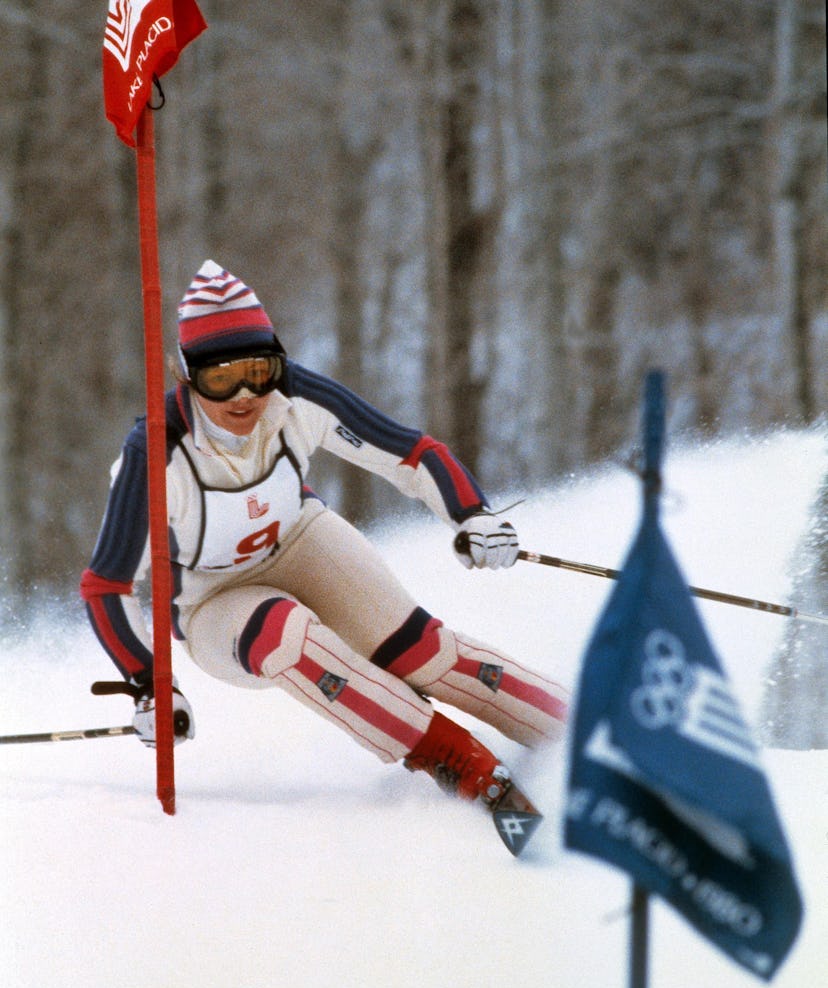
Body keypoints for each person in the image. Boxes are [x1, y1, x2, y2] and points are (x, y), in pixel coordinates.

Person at [81, 260, 568, 812]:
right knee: (289, 636)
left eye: (258, 370)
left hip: (300, 542)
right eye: (221, 379)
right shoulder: (155, 452)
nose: (244, 395)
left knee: (421, 652)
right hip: (210, 598)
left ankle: (582, 732)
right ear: (188, 375)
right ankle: (455, 760)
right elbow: (107, 585)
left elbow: (410, 453)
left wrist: (472, 515)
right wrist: (151, 684)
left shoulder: (295, 395)